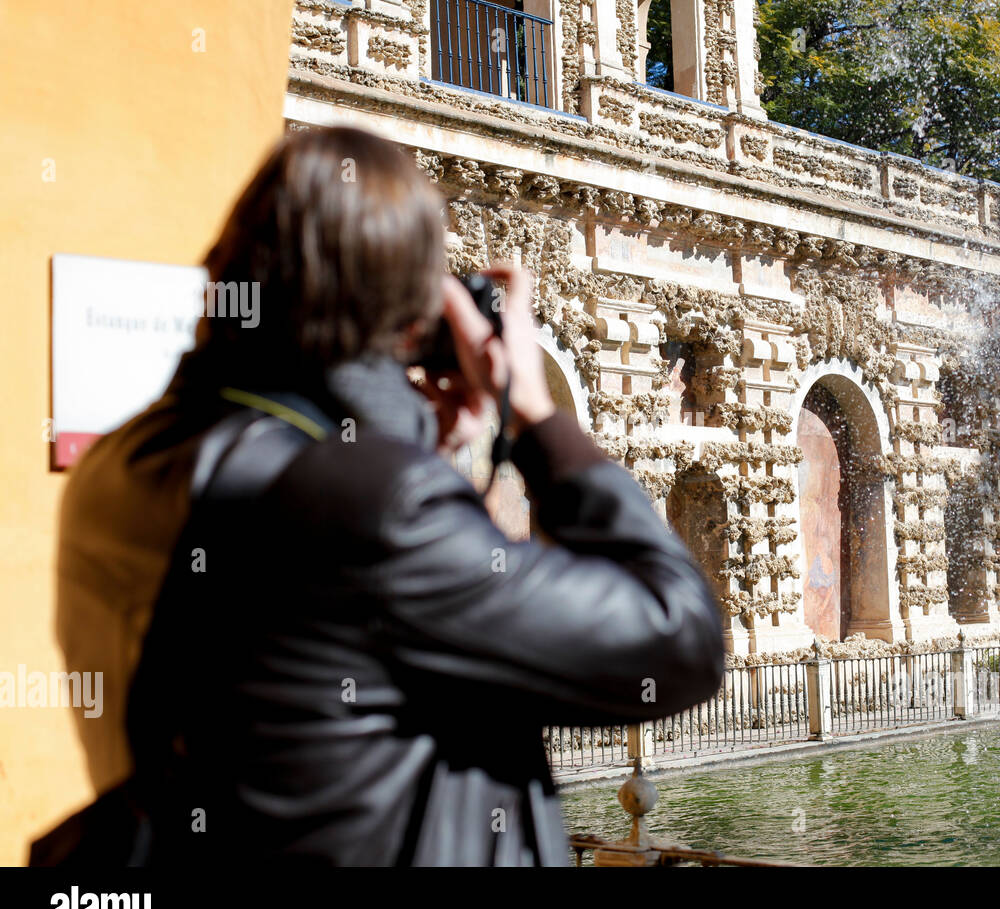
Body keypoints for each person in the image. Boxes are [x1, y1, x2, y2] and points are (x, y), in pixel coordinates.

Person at [49, 127, 724, 866]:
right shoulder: (374, 504)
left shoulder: (118, 464)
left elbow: (316, 661)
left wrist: (398, 446)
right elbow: (678, 639)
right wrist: (535, 417)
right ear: (409, 319)